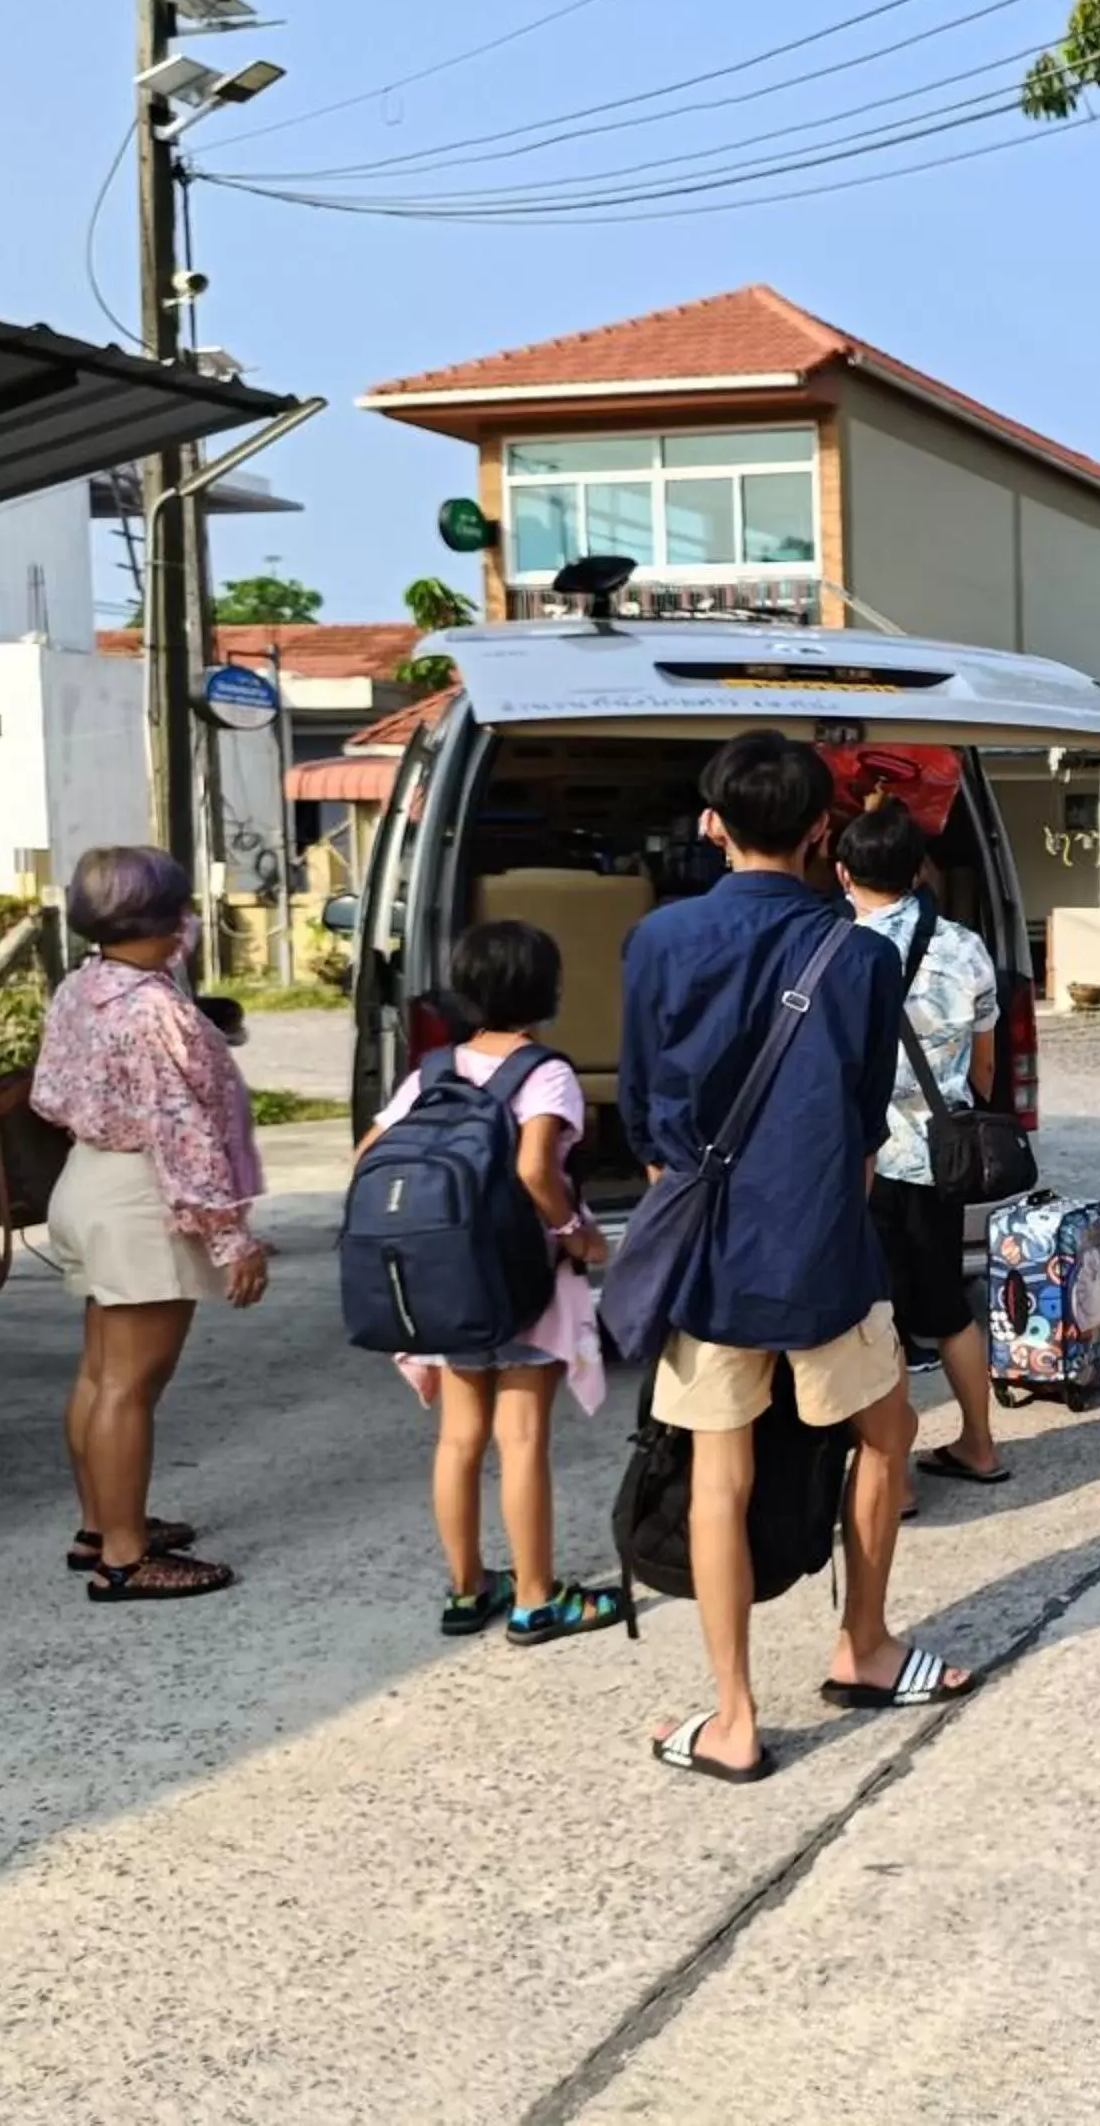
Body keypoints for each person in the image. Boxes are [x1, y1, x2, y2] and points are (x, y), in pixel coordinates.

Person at [620, 731, 973, 1787]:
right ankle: (863, 1644)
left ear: (713, 824)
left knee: (717, 1478)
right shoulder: (859, 957)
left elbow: (643, 1114)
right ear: (824, 830)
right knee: (886, 1432)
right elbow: (865, 1122)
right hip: (825, 1244)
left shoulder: (659, 942)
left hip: (715, 1257)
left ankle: (733, 1719)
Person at [357, 920, 625, 1644]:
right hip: (519, 1277)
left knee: (458, 1439)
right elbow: (537, 1168)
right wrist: (577, 1234)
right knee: (524, 1437)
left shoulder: (433, 1070)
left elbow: (368, 1156)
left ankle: (467, 1587)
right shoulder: (546, 1073)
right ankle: (538, 1599)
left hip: (445, 1280)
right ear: (549, 991)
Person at [31, 845, 268, 1601]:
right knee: (132, 1383)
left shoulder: (85, 985)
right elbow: (185, 1135)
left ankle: (102, 1523)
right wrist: (234, 1239)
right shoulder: (156, 1010)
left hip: (91, 1177)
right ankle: (126, 1559)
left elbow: (49, 1090)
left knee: (103, 1373)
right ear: (169, 918)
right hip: (144, 1195)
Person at [834, 799, 1006, 1488]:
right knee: (947, 1309)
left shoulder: (835, 946)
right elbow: (985, 1063)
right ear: (919, 869)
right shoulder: (964, 945)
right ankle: (981, 1444)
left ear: (843, 872)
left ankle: (893, 1479)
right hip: (942, 1156)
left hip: (868, 1159)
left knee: (885, 1320)